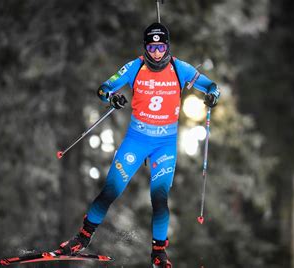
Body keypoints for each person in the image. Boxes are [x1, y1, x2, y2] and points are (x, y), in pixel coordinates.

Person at [58, 22, 220, 268]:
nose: (157, 53)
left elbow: (211, 86)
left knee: (160, 198)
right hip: (137, 140)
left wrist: (212, 95)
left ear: (168, 46)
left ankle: (159, 253)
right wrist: (112, 97)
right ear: (146, 46)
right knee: (110, 190)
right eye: (152, 47)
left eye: (161, 46)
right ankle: (82, 238)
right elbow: (104, 88)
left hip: (164, 144)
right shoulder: (135, 67)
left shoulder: (180, 68)